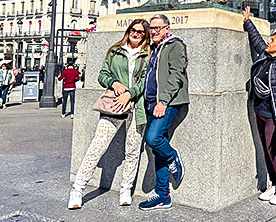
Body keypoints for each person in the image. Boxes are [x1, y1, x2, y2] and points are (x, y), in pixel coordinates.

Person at [68, 19, 150, 209]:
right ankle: (78, 188)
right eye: (133, 30)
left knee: (132, 150)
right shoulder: (115, 51)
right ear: (128, 31)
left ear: (145, 36)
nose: (136, 33)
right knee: (97, 145)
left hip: (136, 108)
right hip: (114, 105)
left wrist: (130, 93)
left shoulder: (148, 54)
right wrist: (115, 84)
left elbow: (146, 80)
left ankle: (125, 189)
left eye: (140, 32)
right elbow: (102, 74)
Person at [242, 6, 276, 206]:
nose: (269, 41)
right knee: (266, 149)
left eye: (273, 41)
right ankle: (274, 185)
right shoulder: (266, 56)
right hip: (260, 110)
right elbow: (256, 40)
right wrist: (248, 21)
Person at [138, 14, 188, 211]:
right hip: (150, 103)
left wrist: (164, 100)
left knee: (153, 138)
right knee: (156, 149)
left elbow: (177, 74)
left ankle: (173, 157)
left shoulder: (175, 45)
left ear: (167, 28)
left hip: (167, 103)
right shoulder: (154, 48)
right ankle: (163, 195)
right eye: (152, 28)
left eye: (158, 28)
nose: (154, 31)